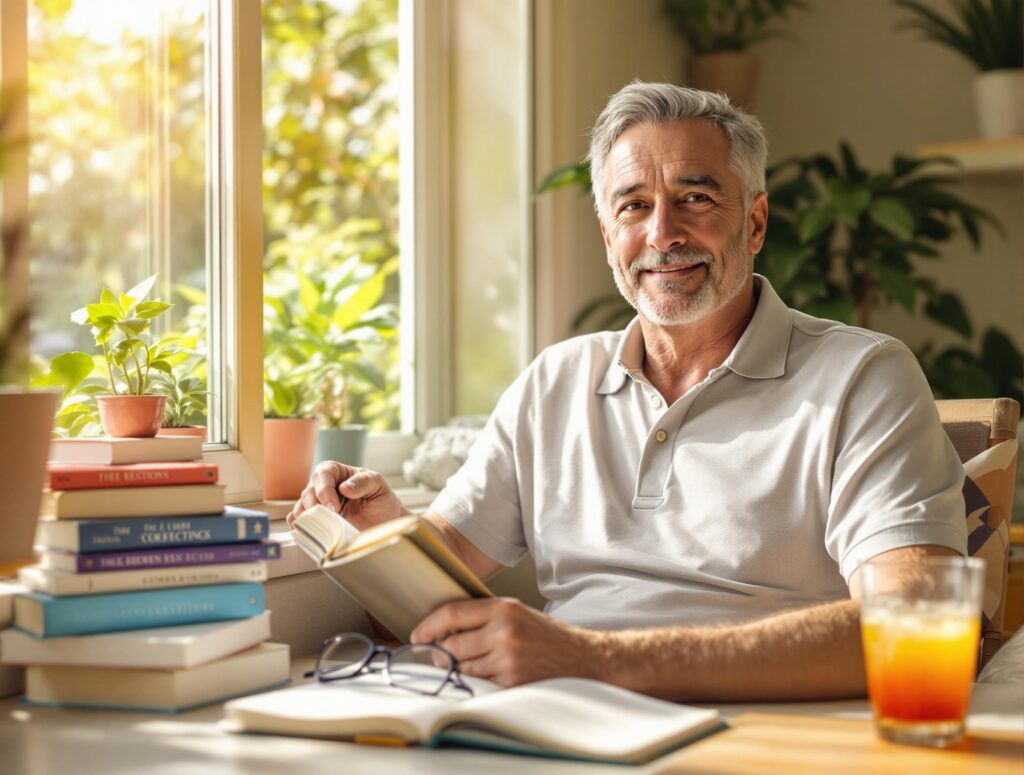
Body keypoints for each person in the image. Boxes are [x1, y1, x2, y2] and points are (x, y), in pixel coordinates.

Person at [289, 82, 966, 702]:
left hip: (763, 730)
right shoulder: (554, 382)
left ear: (755, 222)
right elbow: (423, 596)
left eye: (696, 199)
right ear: (608, 232)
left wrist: (597, 657)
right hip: (553, 715)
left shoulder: (863, 374)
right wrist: (378, 542)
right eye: (634, 206)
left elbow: (916, 621)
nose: (662, 233)